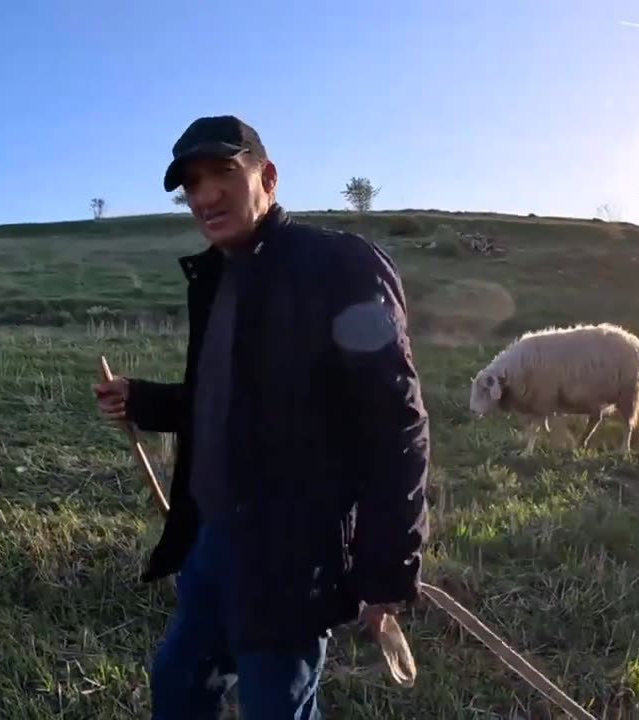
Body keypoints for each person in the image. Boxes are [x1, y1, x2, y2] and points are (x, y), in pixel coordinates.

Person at [92, 115, 430, 719]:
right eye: (191, 184)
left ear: (267, 177)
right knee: (178, 684)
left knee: (277, 704)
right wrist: (140, 399)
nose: (205, 196)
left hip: (290, 557)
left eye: (223, 172)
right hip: (211, 540)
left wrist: (386, 569)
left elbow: (397, 426)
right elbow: (225, 400)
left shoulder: (339, 267)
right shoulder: (219, 278)